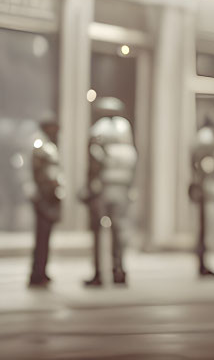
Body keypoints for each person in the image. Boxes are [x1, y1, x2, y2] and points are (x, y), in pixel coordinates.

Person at [81, 98, 137, 287]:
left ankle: (98, 273)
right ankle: (119, 270)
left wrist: (89, 184)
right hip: (122, 187)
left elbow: (94, 160)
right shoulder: (125, 130)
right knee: (119, 230)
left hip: (103, 187)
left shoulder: (99, 129)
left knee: (98, 231)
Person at [189, 117, 214, 278]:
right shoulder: (207, 140)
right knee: (205, 228)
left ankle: (203, 262)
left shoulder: (203, 139)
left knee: (206, 228)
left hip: (207, 190)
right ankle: (203, 263)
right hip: (207, 190)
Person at [28, 119, 63, 288]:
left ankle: (41, 270)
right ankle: (37, 272)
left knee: (45, 236)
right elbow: (42, 173)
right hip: (44, 196)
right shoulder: (42, 146)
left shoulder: (46, 145)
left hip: (48, 196)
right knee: (42, 236)